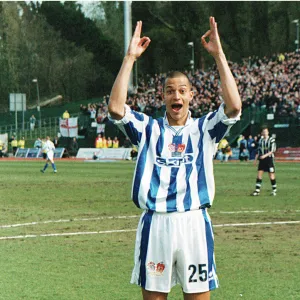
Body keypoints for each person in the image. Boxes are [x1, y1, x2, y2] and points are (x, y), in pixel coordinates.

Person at [108, 18, 241, 300]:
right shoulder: (148, 128)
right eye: (170, 90)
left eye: (182, 90)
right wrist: (130, 57)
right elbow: (116, 108)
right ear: (163, 96)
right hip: (156, 224)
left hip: (194, 222)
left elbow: (234, 106)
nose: (176, 95)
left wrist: (218, 55)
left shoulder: (205, 128)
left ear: (192, 95)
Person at [251, 127, 277, 196]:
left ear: (268, 132)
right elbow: (259, 151)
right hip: (262, 160)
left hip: (269, 160)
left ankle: (274, 190)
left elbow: (272, 150)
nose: (265, 133)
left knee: (271, 175)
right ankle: (257, 191)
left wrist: (264, 156)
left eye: (266, 131)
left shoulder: (271, 140)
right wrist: (255, 160)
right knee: (259, 174)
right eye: (263, 132)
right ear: (262, 133)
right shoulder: (261, 140)